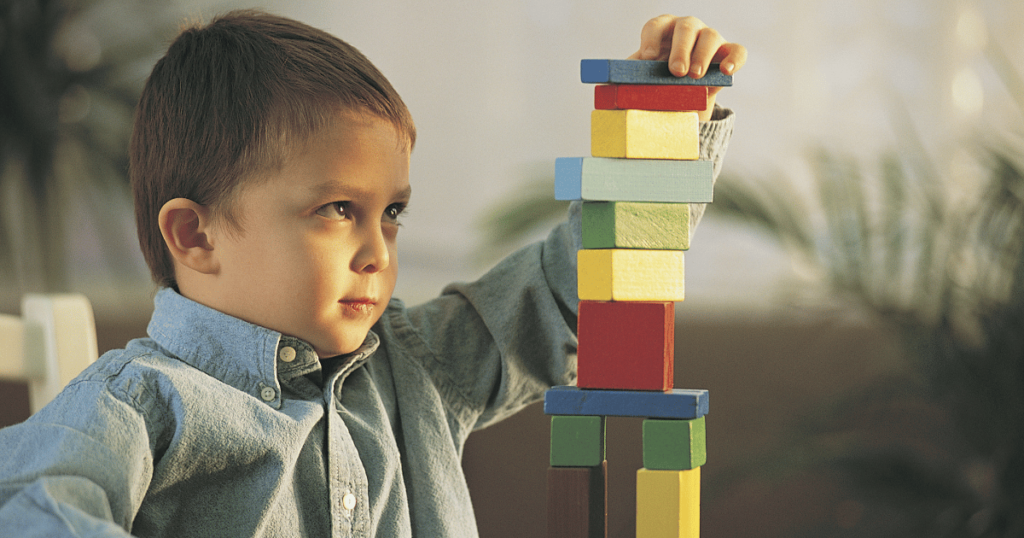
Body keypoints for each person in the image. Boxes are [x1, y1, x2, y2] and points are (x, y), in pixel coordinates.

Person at [0, 9, 746, 537]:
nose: (377, 251)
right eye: (335, 210)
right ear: (195, 235)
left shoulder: (420, 366)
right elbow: (35, 508)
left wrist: (666, 132)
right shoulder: (130, 406)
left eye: (392, 213)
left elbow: (587, 288)